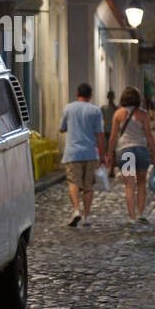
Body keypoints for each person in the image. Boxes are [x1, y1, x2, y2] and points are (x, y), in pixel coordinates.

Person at [109, 86, 155, 224]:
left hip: (125, 151)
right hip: (141, 150)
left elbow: (113, 136)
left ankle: (131, 217)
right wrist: (154, 154)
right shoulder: (143, 114)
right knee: (142, 183)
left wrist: (109, 154)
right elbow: (149, 136)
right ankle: (141, 214)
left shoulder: (118, 114)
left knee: (129, 185)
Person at [59, 82, 106, 227]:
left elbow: (62, 128)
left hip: (72, 153)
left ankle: (76, 210)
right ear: (91, 96)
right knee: (88, 186)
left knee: (73, 182)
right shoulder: (95, 111)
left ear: (77, 94)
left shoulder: (68, 108)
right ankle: (86, 216)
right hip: (90, 153)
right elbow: (99, 135)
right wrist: (102, 155)